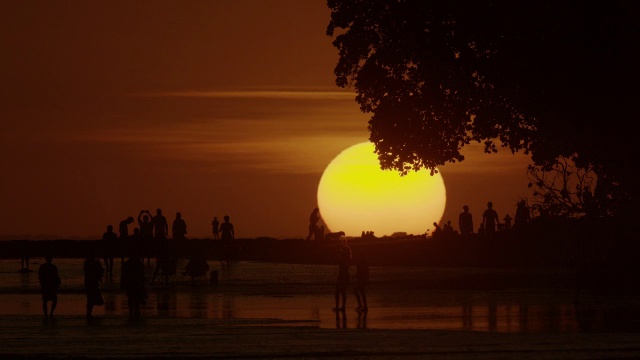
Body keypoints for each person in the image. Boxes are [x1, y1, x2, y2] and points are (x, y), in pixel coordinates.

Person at [121, 249, 147, 320]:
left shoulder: (127, 263)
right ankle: (135, 312)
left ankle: (131, 313)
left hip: (130, 283)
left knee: (131, 299)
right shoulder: (138, 263)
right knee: (136, 299)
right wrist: (143, 284)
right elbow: (142, 275)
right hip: (135, 283)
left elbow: (123, 275)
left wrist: (122, 284)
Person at [38, 255, 61, 321]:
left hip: (49, 285)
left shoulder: (51, 266)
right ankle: (48, 314)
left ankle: (48, 314)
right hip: (48, 285)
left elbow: (56, 275)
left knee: (49, 300)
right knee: (49, 300)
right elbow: (40, 275)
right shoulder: (49, 266)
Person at [84, 250, 105, 319]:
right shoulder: (93, 263)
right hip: (92, 282)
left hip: (88, 282)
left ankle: (88, 313)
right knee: (91, 299)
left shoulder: (87, 262)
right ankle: (88, 314)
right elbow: (100, 271)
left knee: (90, 298)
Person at [333, 238, 352, 312]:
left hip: (343, 276)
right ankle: (341, 307)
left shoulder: (344, 260)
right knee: (341, 292)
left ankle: (340, 307)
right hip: (343, 275)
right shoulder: (346, 259)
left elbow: (339, 262)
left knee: (339, 291)